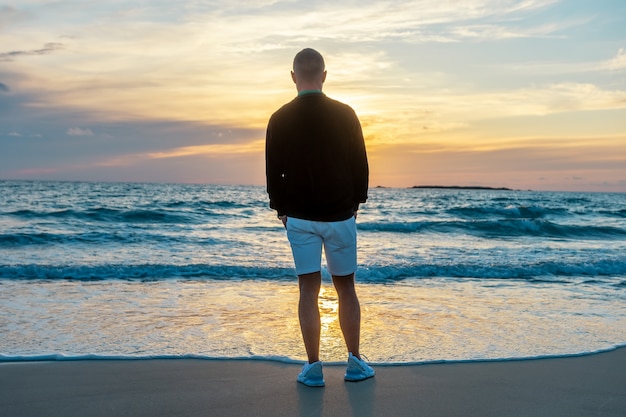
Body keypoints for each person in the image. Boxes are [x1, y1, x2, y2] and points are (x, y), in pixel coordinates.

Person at [265, 48, 374, 387]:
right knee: (346, 289)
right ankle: (355, 362)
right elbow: (360, 165)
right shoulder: (347, 114)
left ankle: (313, 367)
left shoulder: (279, 117)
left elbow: (273, 173)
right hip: (340, 215)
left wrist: (282, 210)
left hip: (299, 218)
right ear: (324, 76)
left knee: (308, 291)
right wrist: (356, 202)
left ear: (294, 76)